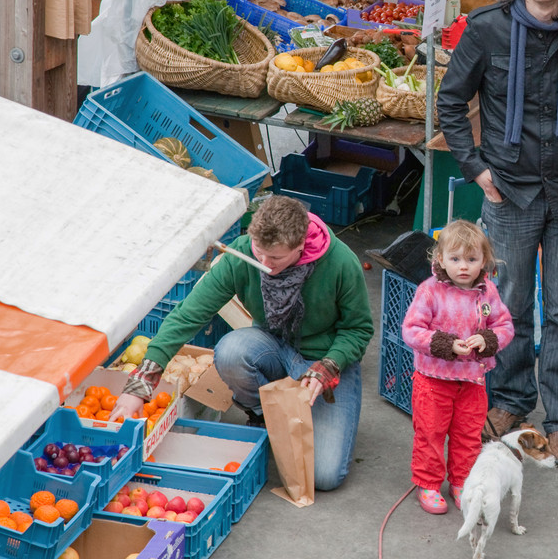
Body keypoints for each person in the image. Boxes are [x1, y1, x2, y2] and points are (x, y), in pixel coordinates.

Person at [436, 0, 558, 468]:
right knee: (505, 304)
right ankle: (509, 400)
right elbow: (451, 104)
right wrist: (477, 170)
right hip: (508, 192)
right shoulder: (487, 30)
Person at [111, 196, 373, 491]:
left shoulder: (340, 262)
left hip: (324, 357)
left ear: (300, 247)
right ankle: (264, 414)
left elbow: (358, 329)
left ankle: (300, 408)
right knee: (231, 351)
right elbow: (189, 314)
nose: (263, 263)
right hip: (271, 345)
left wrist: (330, 364)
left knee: (324, 476)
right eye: (259, 252)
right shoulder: (242, 255)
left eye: (275, 258)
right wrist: (143, 382)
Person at [401, 220, 514, 515]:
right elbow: (411, 330)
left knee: (468, 433)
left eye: (471, 259)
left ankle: (462, 480)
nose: (463, 266)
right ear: (440, 260)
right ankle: (428, 483)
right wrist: (444, 344)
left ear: (484, 261)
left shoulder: (487, 291)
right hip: (432, 379)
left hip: (473, 380)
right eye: (455, 259)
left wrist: (487, 339)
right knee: (431, 432)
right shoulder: (430, 291)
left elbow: (505, 326)